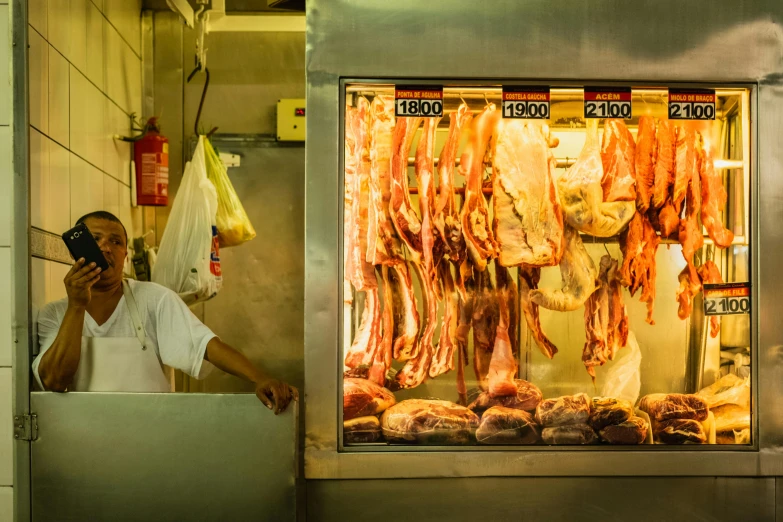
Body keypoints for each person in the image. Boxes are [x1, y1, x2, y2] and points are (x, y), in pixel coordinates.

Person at [33, 211, 297, 414]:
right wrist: (76, 306)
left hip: (151, 436)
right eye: (95, 240)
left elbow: (207, 346)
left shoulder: (153, 299)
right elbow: (54, 381)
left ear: (125, 255)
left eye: (116, 241)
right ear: (74, 251)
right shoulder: (54, 314)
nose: (105, 247)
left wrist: (260, 378)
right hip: (84, 441)